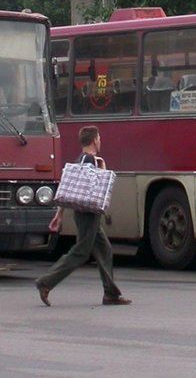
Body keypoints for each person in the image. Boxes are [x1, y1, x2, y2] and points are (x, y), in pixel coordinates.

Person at [35, 126, 131, 307]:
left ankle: (110, 294)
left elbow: (71, 188)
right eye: (99, 138)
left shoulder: (80, 159)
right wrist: (102, 168)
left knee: (104, 249)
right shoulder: (90, 160)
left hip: (84, 213)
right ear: (94, 140)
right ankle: (46, 282)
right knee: (81, 252)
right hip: (88, 214)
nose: (100, 141)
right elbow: (94, 188)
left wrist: (60, 214)